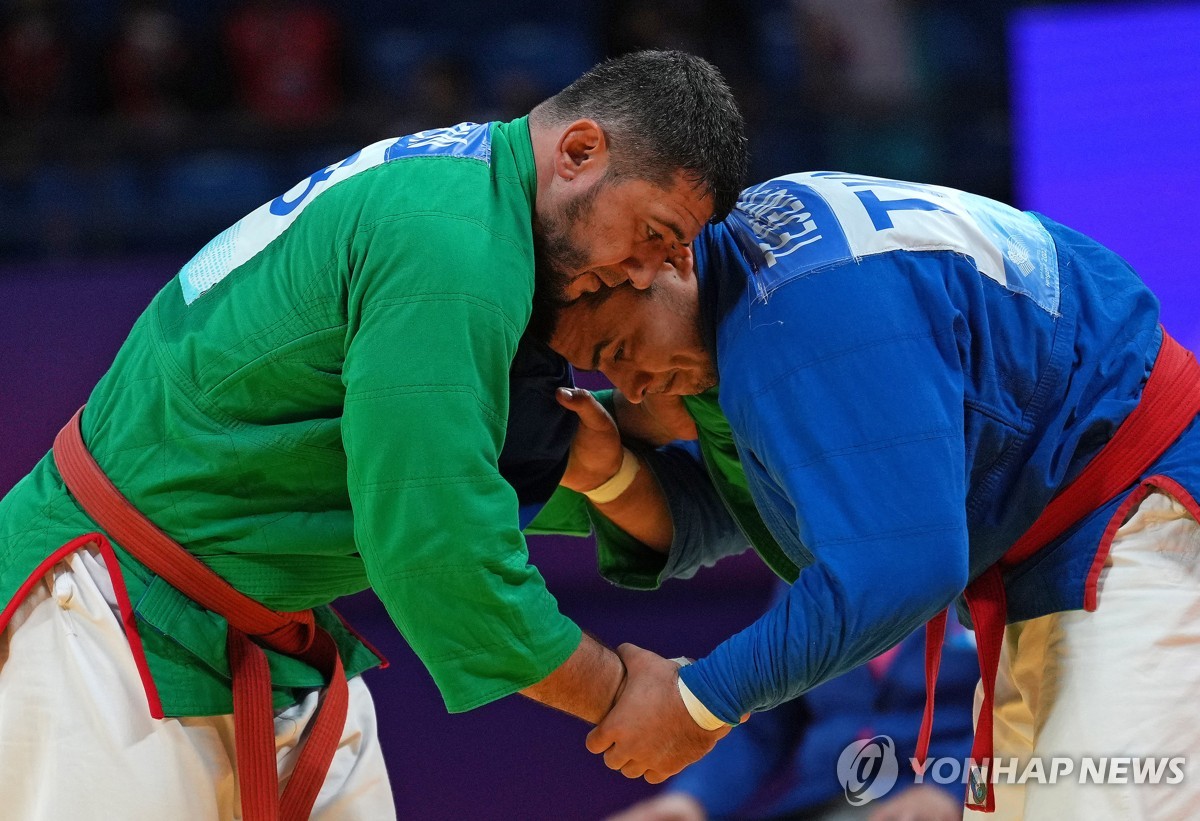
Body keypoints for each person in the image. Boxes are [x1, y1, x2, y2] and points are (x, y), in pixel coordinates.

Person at [0, 50, 748, 819]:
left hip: (250, 619)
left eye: (669, 255)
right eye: (651, 234)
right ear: (581, 151)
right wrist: (619, 692)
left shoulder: (486, 216)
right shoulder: (449, 240)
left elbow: (540, 492)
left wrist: (682, 434)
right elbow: (440, 547)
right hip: (108, 609)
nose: (639, 272)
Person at [539, 171, 1200, 818]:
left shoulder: (795, 316)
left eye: (620, 348)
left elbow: (899, 567)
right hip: (1057, 541)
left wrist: (697, 698)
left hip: (1132, 511)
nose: (628, 387)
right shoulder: (751, 279)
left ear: (668, 256)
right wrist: (609, 473)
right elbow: (763, 509)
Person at [603, 583, 977, 821]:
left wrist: (953, 794)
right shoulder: (810, 567)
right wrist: (690, 801)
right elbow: (764, 718)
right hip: (822, 801)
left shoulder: (1001, 554)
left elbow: (1028, 720)